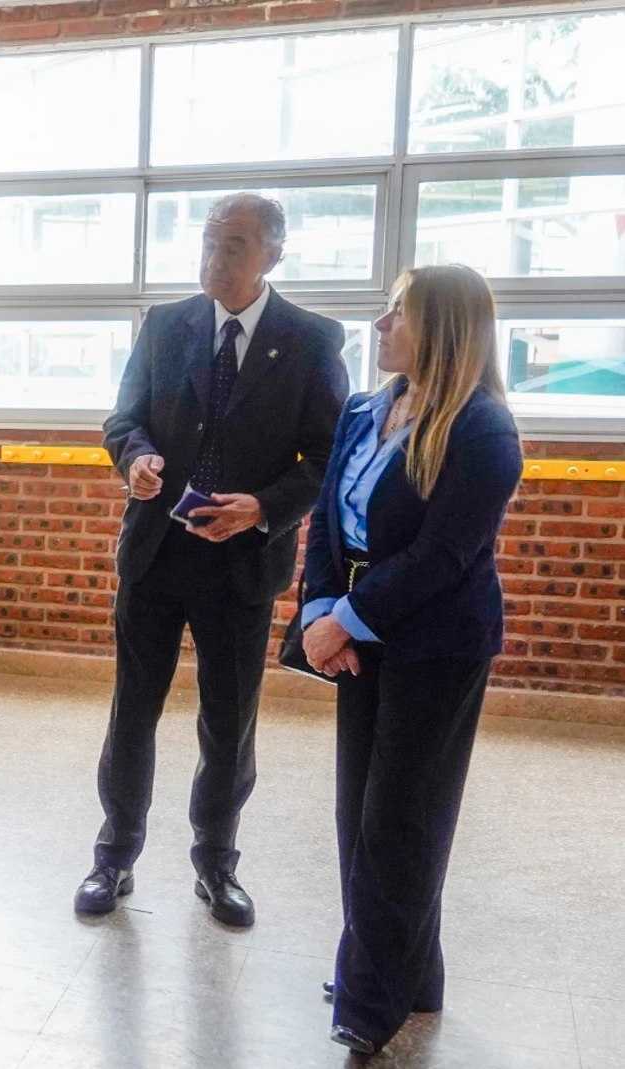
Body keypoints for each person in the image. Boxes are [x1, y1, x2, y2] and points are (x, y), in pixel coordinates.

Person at [79, 193, 349, 926]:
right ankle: (114, 855)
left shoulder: (311, 339)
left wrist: (262, 507)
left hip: (241, 562)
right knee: (132, 710)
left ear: (272, 255)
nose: (215, 258)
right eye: (208, 241)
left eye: (234, 245)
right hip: (156, 553)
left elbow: (328, 455)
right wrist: (136, 458)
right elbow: (123, 419)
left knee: (229, 724)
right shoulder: (166, 325)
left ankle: (217, 863)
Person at [299, 265, 521, 1057]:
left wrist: (347, 618)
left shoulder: (484, 431)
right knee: (359, 809)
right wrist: (320, 611)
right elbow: (328, 519)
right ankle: (408, 972)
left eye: (399, 312)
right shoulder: (367, 408)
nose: (381, 323)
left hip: (437, 640)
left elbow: (443, 555)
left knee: (401, 818)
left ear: (443, 328)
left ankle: (371, 998)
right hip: (358, 627)